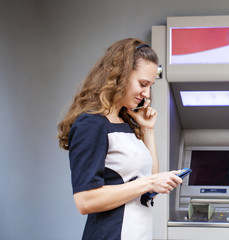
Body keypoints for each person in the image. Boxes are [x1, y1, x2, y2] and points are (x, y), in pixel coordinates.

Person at [57, 38, 183, 240]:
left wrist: (147, 130)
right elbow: (85, 201)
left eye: (150, 86)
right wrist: (148, 183)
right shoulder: (91, 124)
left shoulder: (123, 122)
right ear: (120, 76)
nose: (146, 93)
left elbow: (149, 178)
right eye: (143, 84)